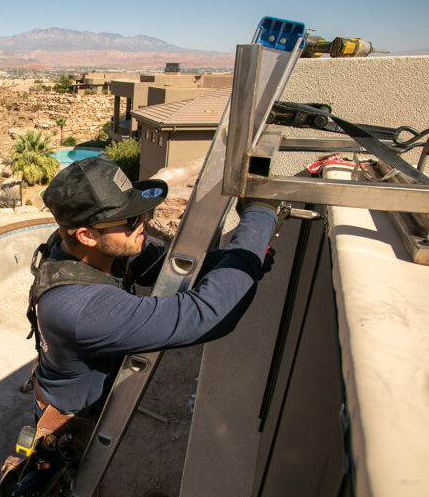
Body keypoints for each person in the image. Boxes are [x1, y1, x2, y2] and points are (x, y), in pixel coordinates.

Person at [28, 155, 278, 419]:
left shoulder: (89, 246)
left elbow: (158, 265)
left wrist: (233, 261)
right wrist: (260, 215)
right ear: (87, 235)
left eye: (139, 210)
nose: (145, 219)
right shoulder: (82, 309)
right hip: (72, 424)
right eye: (131, 220)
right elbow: (207, 314)